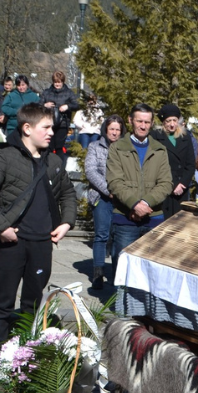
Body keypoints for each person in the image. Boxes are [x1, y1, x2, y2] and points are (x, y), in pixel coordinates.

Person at [0, 103, 75, 356]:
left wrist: (66, 222)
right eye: (46, 127)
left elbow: (68, 194)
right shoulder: (6, 157)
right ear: (27, 128)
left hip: (42, 244)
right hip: (13, 244)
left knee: (32, 301)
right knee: (3, 301)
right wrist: (1, 227)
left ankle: (28, 350)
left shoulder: (53, 161)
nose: (52, 132)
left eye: (53, 127)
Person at [107, 104, 173, 265]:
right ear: (130, 121)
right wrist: (134, 204)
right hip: (125, 219)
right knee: (123, 271)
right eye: (139, 121)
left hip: (153, 218)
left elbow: (166, 183)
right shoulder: (117, 148)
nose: (143, 126)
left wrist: (145, 203)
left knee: (151, 273)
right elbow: (114, 182)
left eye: (147, 122)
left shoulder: (160, 150)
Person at [85, 115, 124, 289]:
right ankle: (98, 272)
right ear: (105, 130)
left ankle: (117, 272)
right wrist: (109, 191)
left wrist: (120, 192)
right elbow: (91, 171)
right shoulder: (95, 146)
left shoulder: (125, 148)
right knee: (102, 234)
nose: (114, 133)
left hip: (121, 198)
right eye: (112, 129)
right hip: (101, 195)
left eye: (117, 129)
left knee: (118, 235)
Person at [152, 104, 198, 219]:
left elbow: (191, 164)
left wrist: (182, 184)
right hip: (164, 187)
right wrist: (171, 185)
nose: (172, 124)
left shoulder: (185, 136)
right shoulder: (156, 137)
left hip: (181, 189)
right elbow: (155, 164)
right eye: (168, 121)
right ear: (163, 122)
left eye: (174, 120)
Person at [40, 71, 78, 155]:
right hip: (49, 123)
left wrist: (67, 106)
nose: (57, 84)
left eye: (59, 82)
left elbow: (76, 105)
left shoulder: (69, 93)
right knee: (48, 146)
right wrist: (45, 105)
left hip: (63, 123)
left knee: (59, 147)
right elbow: (38, 105)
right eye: (55, 82)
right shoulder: (46, 92)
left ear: (63, 82)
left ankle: (59, 166)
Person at [0, 75, 40, 140]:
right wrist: (16, 112)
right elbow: (4, 107)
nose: (21, 87)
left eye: (23, 85)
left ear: (27, 84)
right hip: (13, 126)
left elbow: (39, 108)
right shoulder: (11, 96)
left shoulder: (34, 96)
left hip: (29, 126)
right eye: (18, 85)